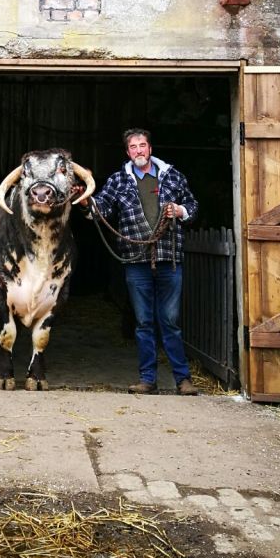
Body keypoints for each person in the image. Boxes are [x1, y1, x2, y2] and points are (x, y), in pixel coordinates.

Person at [81, 128, 199, 396]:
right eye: (133, 147)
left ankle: (183, 380)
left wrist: (180, 211)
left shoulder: (172, 176)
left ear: (150, 149)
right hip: (136, 262)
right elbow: (100, 211)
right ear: (127, 152)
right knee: (144, 322)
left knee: (169, 321)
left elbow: (193, 206)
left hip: (169, 260)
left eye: (142, 146)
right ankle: (148, 380)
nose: (138, 151)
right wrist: (85, 201)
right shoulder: (118, 181)